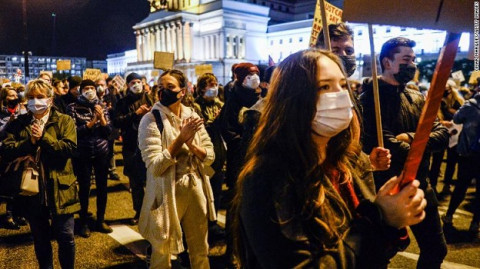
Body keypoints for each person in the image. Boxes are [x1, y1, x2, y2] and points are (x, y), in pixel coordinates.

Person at [233, 49, 425, 268]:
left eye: (343, 85)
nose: (341, 95)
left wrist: (392, 212)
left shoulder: (344, 163)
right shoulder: (268, 177)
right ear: (292, 98)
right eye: (324, 87)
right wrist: (381, 219)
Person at [360, 37, 448, 268]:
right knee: (380, 252)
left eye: (414, 60)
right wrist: (415, 144)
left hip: (420, 184)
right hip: (384, 188)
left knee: (436, 248)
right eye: (406, 59)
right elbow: (385, 143)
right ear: (387, 62)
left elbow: (442, 134)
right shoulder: (369, 98)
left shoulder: (416, 97)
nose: (413, 65)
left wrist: (409, 137)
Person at [138, 69, 215, 268]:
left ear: (182, 91)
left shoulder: (191, 115)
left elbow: (210, 154)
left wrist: (192, 146)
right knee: (162, 249)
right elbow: (155, 166)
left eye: (170, 87)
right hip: (166, 190)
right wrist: (181, 139)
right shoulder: (150, 119)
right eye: (160, 87)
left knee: (200, 247)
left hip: (195, 184)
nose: (164, 91)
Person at [1, 79, 79, 269]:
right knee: (41, 239)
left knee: (66, 237)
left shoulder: (64, 120)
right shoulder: (18, 123)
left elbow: (69, 149)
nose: (35, 101)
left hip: (61, 187)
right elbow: (7, 149)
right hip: (32, 191)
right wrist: (30, 143)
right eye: (31, 97)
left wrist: (44, 138)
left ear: (50, 100)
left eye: (40, 97)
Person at [66, 79, 113, 238]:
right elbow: (74, 132)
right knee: (84, 188)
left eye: (92, 88)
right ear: (80, 91)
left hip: (101, 151)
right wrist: (93, 122)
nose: (90, 91)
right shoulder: (72, 107)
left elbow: (108, 132)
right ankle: (84, 221)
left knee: (102, 187)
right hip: (83, 153)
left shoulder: (102, 106)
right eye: (86, 88)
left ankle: (100, 220)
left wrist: (102, 118)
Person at [114, 72, 153, 225]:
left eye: (138, 81)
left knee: (151, 180)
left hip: (149, 143)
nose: (136, 85)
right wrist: (135, 114)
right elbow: (117, 121)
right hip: (131, 145)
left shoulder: (150, 99)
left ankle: (152, 210)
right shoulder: (122, 102)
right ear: (128, 85)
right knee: (135, 182)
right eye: (133, 83)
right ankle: (139, 211)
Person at [441, 90, 480, 239]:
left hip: (468, 154)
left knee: (461, 186)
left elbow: (457, 119)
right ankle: (475, 223)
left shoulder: (471, 105)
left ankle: (449, 215)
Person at [193, 73, 226, 243]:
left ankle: (213, 223)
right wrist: (216, 121)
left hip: (218, 152)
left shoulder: (220, 104)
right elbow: (202, 128)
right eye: (209, 84)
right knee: (204, 191)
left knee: (216, 190)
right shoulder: (196, 106)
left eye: (215, 83)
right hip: (203, 152)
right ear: (201, 88)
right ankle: (202, 223)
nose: (213, 87)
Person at [429, 79, 464, 195]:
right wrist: (442, 122)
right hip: (441, 133)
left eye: (447, 90)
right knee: (437, 160)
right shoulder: (435, 100)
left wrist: (453, 113)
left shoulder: (457, 101)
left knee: (452, 161)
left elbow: (462, 114)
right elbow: (432, 118)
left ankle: (447, 184)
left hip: (455, 134)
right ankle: (433, 184)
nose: (445, 92)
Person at [0, 87, 28, 230]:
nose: (14, 97)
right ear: (4, 98)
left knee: (20, 184)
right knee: (9, 186)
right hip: (6, 152)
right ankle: (8, 216)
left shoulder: (21, 110)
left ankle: (19, 213)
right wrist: (8, 123)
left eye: (15, 95)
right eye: (10, 95)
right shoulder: (2, 114)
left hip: (20, 151)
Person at [95, 78, 120, 181]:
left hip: (110, 129)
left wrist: (110, 109)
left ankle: (112, 170)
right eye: (98, 85)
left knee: (111, 151)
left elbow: (117, 112)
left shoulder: (111, 97)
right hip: (97, 129)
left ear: (106, 86)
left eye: (102, 84)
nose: (100, 87)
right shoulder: (93, 97)